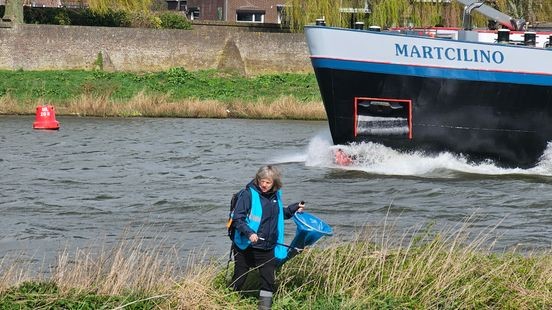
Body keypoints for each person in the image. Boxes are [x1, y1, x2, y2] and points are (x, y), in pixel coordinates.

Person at [230, 165, 304, 310]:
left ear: (274, 183)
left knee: (268, 281)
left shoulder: (275, 195)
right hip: (246, 246)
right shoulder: (248, 194)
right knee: (239, 279)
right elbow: (237, 218)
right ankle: (229, 301)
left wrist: (293, 209)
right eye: (261, 181)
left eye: (268, 182)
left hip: (267, 248)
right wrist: (250, 233)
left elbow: (277, 214)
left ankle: (264, 308)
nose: (264, 185)